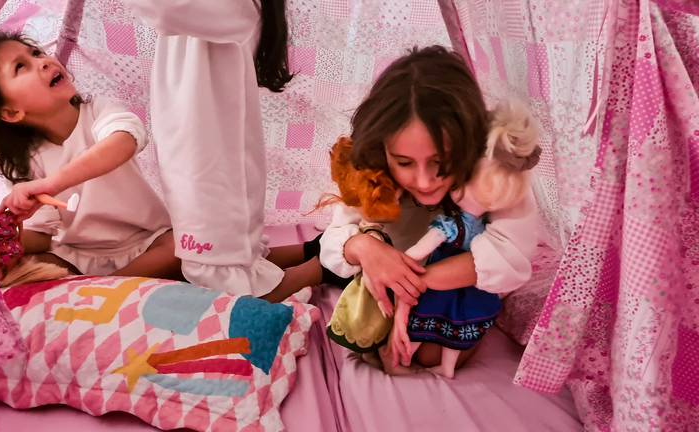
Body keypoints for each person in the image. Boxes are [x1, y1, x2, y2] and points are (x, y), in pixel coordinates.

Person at [319, 45, 541, 373]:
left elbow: (511, 254)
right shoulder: (373, 170)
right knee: (332, 257)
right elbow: (338, 234)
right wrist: (364, 248)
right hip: (390, 257)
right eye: (404, 163)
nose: (424, 181)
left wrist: (416, 281)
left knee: (428, 355)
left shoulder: (494, 173)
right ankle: (302, 266)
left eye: (440, 162)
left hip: (446, 276)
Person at [122, 0, 321, 301]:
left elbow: (164, 10)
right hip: (194, 150)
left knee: (216, 264)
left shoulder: (235, 6)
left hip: (210, 159)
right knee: (221, 248)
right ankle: (313, 255)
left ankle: (320, 269)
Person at [0, 30, 181, 279]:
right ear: (12, 112)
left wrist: (51, 184)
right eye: (21, 67)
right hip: (79, 255)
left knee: (181, 247)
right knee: (17, 268)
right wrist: (6, 237)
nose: (43, 61)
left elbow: (124, 142)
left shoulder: (99, 111)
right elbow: (43, 236)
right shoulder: (24, 161)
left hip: (146, 242)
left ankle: (107, 287)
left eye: (36, 53)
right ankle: (113, 285)